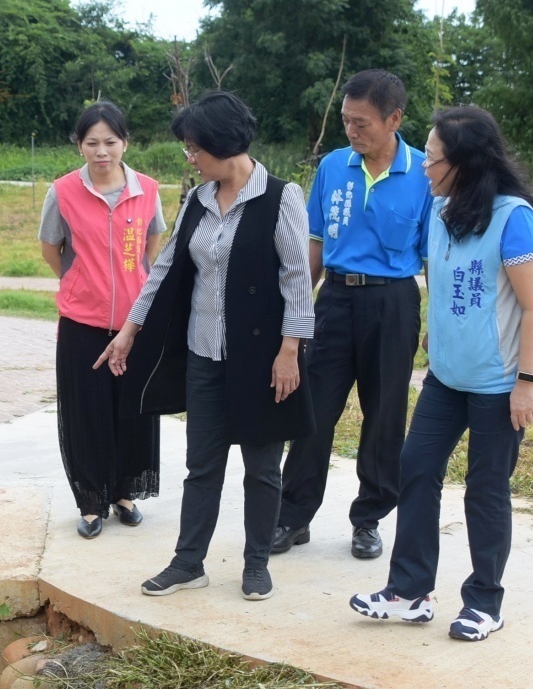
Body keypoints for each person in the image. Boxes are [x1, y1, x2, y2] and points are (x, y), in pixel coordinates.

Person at [96, 90, 315, 601]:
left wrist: (290, 352)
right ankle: (187, 562)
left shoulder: (282, 197)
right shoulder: (197, 199)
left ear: (224, 144)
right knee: (203, 465)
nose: (189, 158)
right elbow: (167, 268)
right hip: (203, 354)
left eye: (195, 149)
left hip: (262, 358)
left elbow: (296, 279)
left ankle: (256, 563)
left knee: (262, 468)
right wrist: (130, 329)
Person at [350, 105, 533, 641]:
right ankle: (410, 591)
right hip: (445, 378)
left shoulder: (513, 218)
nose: (424, 167)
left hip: (497, 385)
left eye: (433, 158)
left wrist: (527, 383)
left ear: (463, 162)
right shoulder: (441, 211)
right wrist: (439, 331)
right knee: (415, 467)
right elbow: (441, 279)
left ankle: (485, 602)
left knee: (485, 491)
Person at [273, 69, 432, 561]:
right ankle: (292, 514)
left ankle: (369, 518)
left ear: (394, 119)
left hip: (393, 302)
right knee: (313, 409)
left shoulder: (424, 174)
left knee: (384, 414)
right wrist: (295, 319)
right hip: (336, 301)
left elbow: (434, 258)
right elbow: (315, 246)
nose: (352, 131)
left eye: (361, 122)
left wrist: (438, 327)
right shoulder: (333, 168)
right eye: (346, 120)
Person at [39, 101, 167, 539]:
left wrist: (136, 284)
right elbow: (50, 248)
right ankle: (92, 501)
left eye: (110, 142)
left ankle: (125, 493)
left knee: (131, 409)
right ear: (79, 146)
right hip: (83, 324)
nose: (101, 151)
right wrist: (80, 282)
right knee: (87, 413)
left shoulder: (147, 188)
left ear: (124, 143)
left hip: (135, 323)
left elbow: (155, 238)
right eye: (91, 143)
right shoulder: (62, 191)